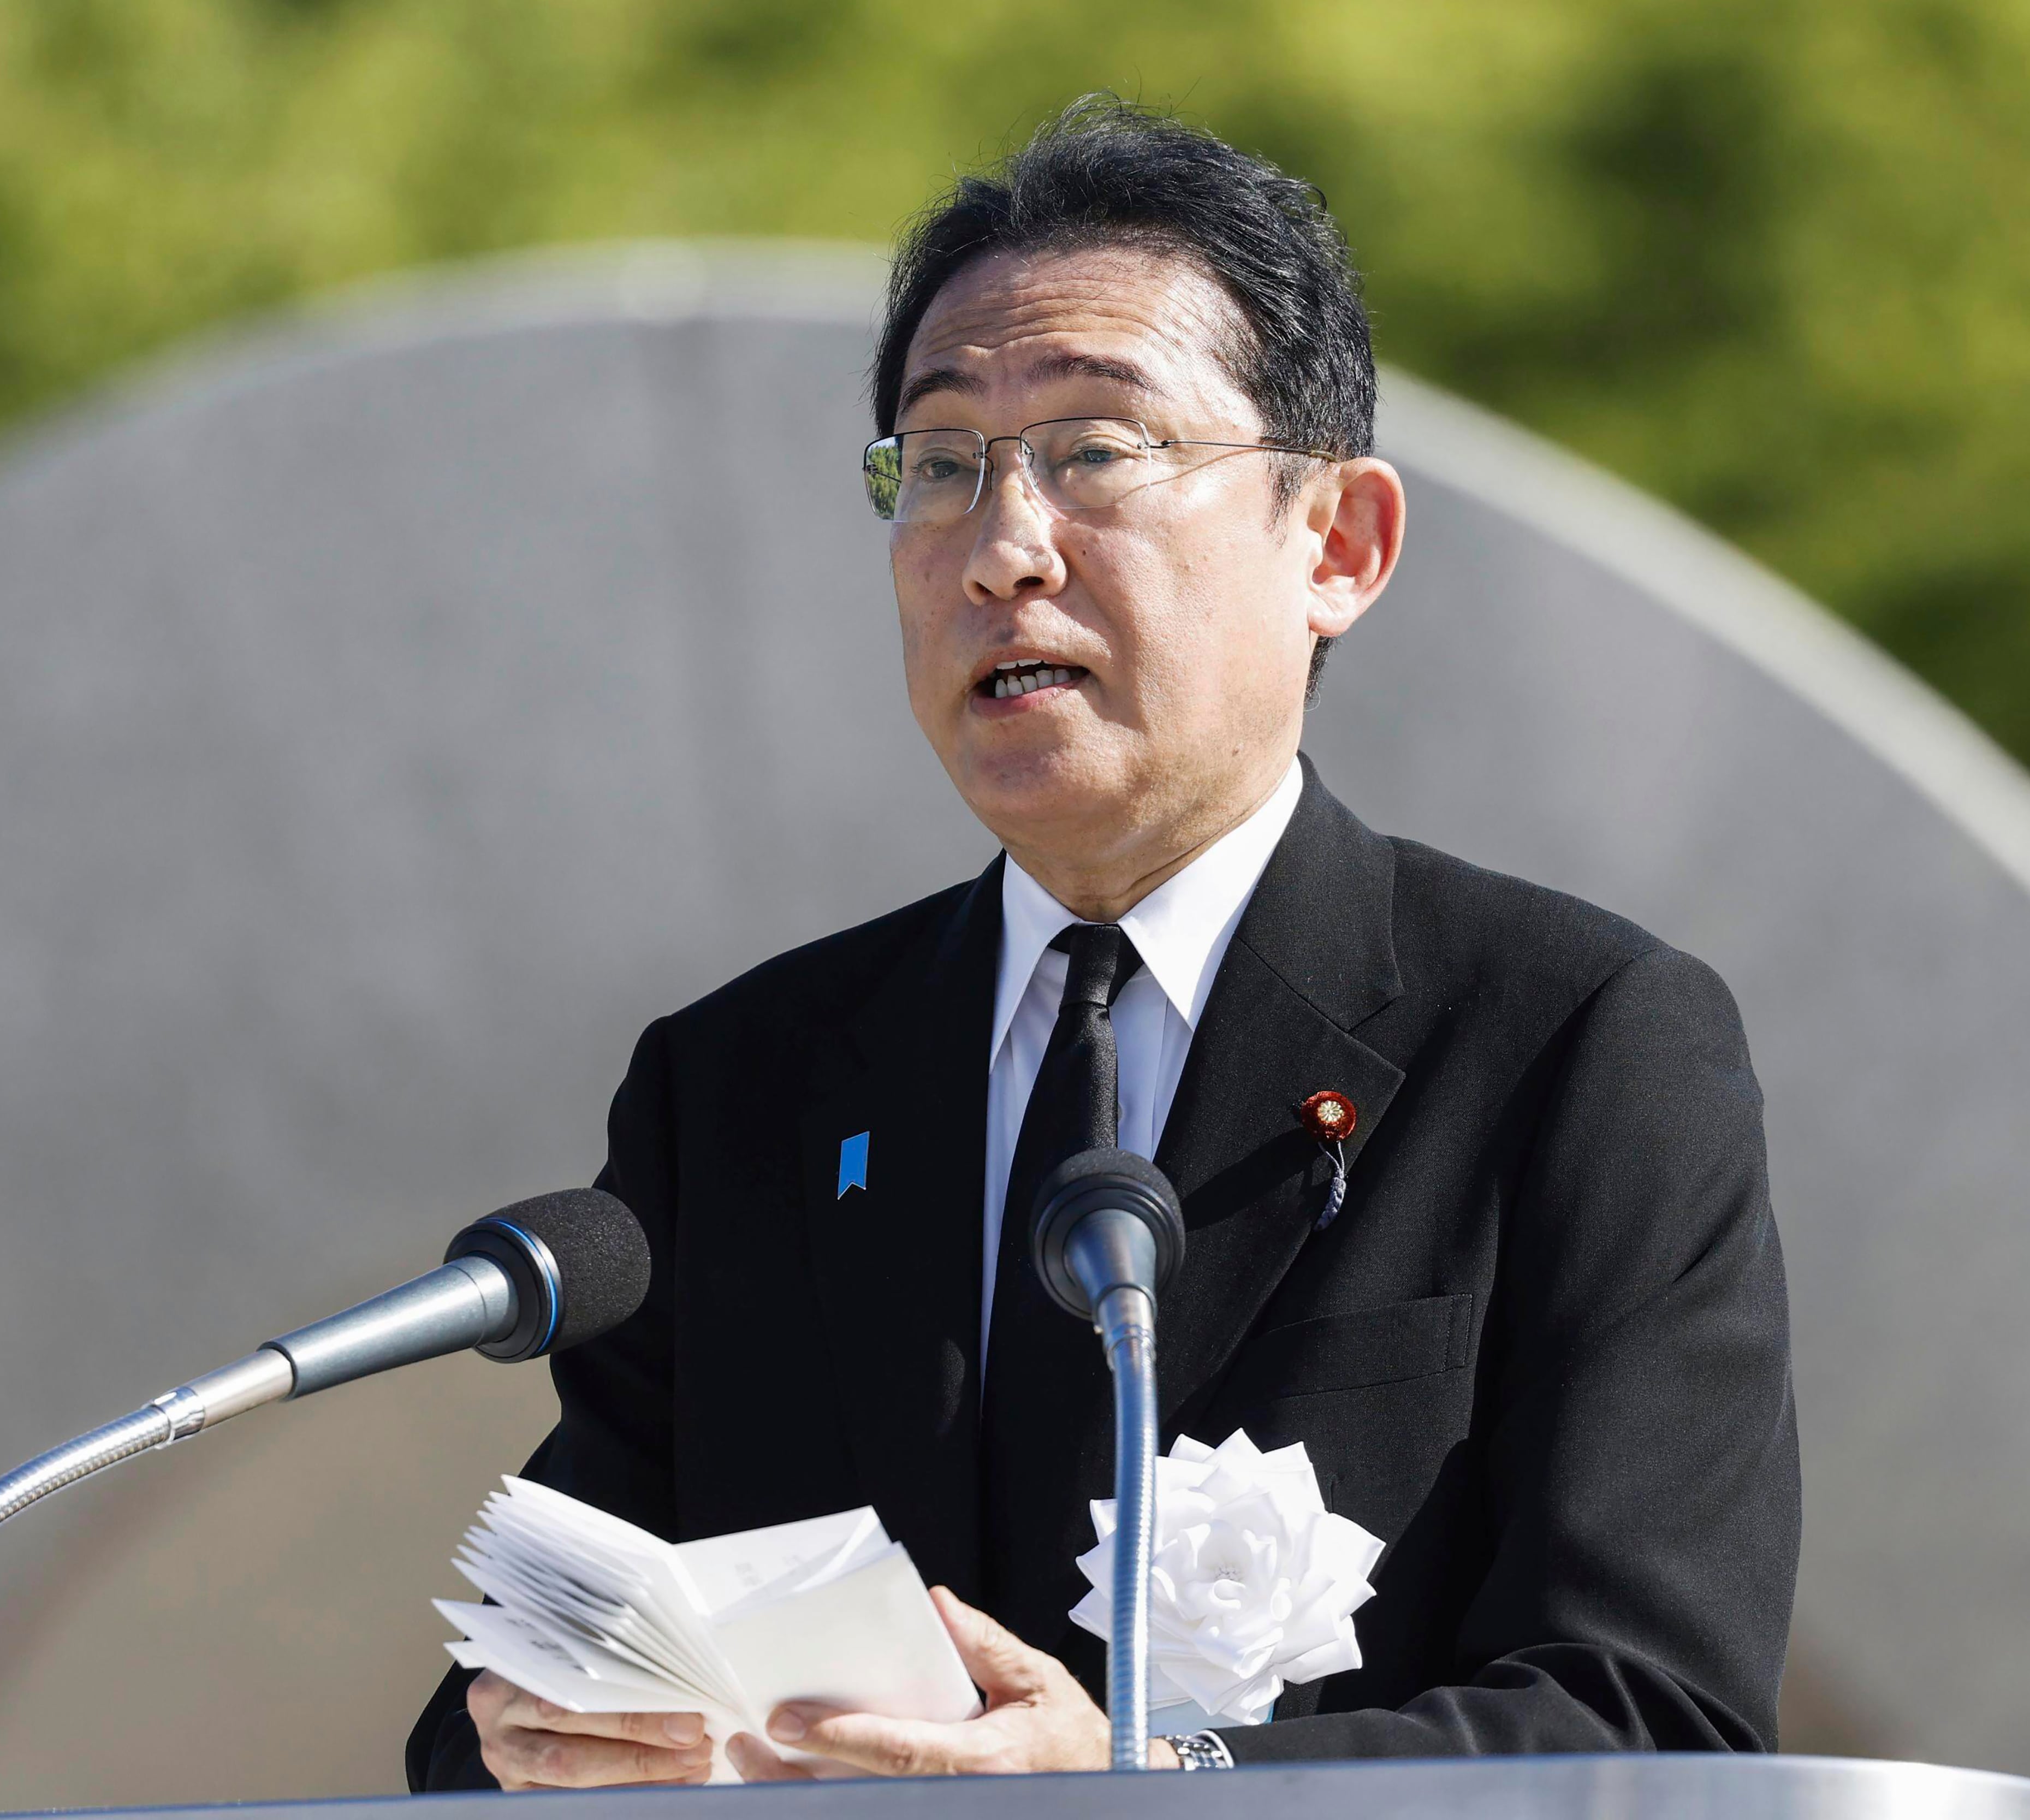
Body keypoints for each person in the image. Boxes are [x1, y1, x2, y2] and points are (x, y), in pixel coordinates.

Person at [407, 95, 1796, 1790]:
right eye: (940, 468)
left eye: (1096, 453)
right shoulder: (745, 1085)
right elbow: (494, 1712)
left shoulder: (1574, 1042)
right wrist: (547, 1740)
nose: (1002, 549)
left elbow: (1653, 1732)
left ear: (1337, 544)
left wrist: (1147, 1795)